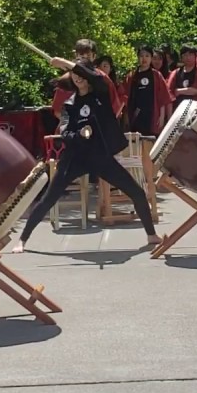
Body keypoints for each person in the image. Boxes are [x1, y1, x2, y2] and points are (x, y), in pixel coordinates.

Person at [12, 55, 161, 253]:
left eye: (80, 73)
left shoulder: (100, 94)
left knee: (136, 192)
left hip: (101, 156)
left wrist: (65, 63)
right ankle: (23, 240)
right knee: (49, 197)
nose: (77, 77)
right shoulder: (70, 104)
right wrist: (80, 134)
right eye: (74, 74)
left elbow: (97, 78)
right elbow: (65, 132)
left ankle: (151, 235)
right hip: (75, 158)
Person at [123, 45, 174, 137]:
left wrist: (161, 116)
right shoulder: (132, 76)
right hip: (135, 114)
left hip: (152, 114)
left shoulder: (156, 75)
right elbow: (126, 97)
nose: (144, 59)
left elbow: (163, 97)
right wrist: (126, 115)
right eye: (141, 56)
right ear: (138, 58)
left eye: (147, 56)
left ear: (151, 58)